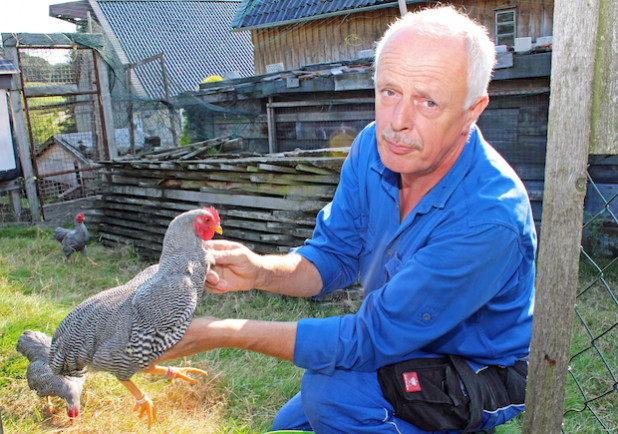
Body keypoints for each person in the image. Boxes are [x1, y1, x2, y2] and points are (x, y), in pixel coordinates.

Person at [159, 5, 537, 433]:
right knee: (290, 426)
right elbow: (334, 255)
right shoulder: (374, 148)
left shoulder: (488, 218)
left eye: (428, 101)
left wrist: (223, 331)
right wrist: (260, 269)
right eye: (388, 91)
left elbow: (372, 338)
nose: (396, 123)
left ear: (473, 109)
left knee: (331, 395)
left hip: (477, 370)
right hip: (406, 341)